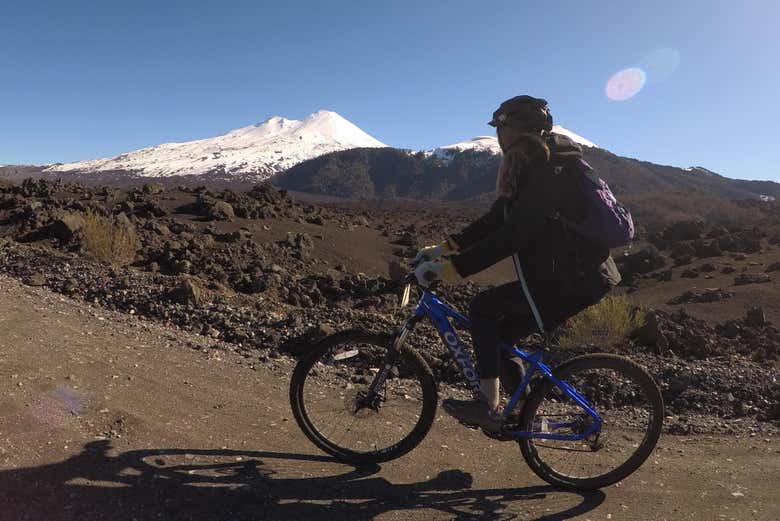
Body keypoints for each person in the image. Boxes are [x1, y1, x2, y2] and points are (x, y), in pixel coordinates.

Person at [413, 95, 621, 433]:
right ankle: (521, 414)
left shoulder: (550, 170)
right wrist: (444, 248)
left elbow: (514, 235)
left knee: (482, 309)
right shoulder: (532, 164)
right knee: (502, 333)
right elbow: (498, 218)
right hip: (563, 276)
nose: (498, 135)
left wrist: (454, 270)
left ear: (519, 129)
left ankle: (488, 406)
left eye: (502, 127)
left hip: (573, 280)